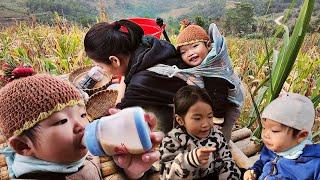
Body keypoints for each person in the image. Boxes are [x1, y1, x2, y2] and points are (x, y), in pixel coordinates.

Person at [0, 74, 163, 179]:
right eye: (62, 121)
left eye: (83, 115)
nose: (81, 126)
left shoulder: (72, 154)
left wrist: (133, 172)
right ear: (23, 145)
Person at [84, 19, 187, 134]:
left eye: (100, 66)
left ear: (114, 60)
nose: (102, 70)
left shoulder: (140, 84)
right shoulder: (148, 43)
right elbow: (127, 78)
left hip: (184, 119)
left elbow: (113, 120)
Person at [148, 24, 244, 142]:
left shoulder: (214, 71)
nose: (190, 53)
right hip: (213, 99)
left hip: (228, 106)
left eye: (195, 46)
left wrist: (215, 124)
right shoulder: (201, 66)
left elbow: (219, 100)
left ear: (208, 46)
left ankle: (220, 152)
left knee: (222, 134)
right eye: (184, 52)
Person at [159, 85, 241, 179]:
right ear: (180, 120)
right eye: (197, 118)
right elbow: (166, 175)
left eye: (210, 116)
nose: (205, 124)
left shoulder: (217, 136)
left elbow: (227, 163)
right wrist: (191, 160)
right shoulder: (171, 141)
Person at [243, 93, 320, 180]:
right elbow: (262, 162)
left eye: (274, 131)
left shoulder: (314, 165)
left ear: (301, 136)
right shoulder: (272, 149)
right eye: (264, 128)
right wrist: (254, 171)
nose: (265, 134)